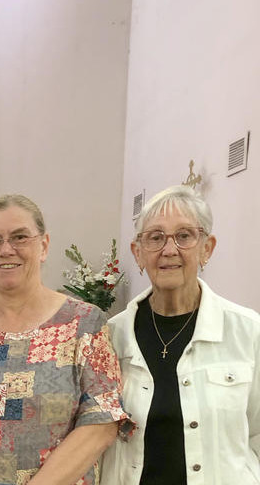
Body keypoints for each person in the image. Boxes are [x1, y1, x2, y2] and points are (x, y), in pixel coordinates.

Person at [0, 194, 133, 485]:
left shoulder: (83, 324)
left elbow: (102, 421)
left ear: (43, 246)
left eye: (19, 237)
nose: (6, 250)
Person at [101, 185, 260, 484]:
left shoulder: (248, 331)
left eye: (184, 236)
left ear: (207, 248)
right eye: (156, 238)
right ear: (138, 253)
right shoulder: (112, 336)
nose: (169, 250)